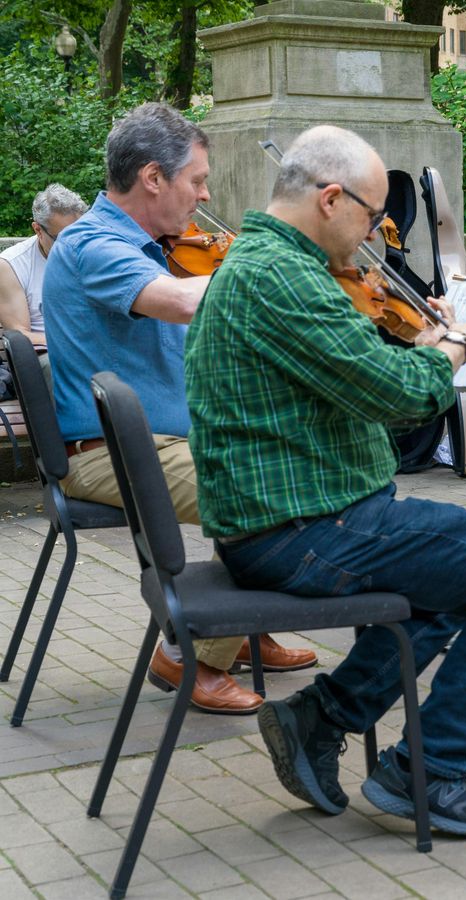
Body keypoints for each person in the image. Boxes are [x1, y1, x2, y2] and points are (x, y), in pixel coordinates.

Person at [184, 125, 466, 835]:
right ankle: (430, 772)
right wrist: (450, 344)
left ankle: (321, 718)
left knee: (454, 584)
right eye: (370, 216)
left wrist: (424, 348)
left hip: (299, 517)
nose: (374, 237)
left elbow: (362, 382)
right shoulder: (280, 277)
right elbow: (399, 397)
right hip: (301, 532)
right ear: (330, 199)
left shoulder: (280, 265)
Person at [42, 102, 316, 715]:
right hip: (110, 453)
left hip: (157, 439)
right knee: (263, 490)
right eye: (196, 180)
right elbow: (181, 301)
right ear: (152, 178)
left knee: (283, 458)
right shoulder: (93, 244)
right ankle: (193, 653)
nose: (205, 194)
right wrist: (283, 267)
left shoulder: (147, 243)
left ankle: (247, 627)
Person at [0, 184, 88, 386]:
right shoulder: (11, 265)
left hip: (89, 347)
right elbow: (19, 334)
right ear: (38, 229)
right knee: (61, 364)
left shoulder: (91, 252)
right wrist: (69, 343)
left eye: (79, 235)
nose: (73, 245)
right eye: (62, 238)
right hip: (44, 355)